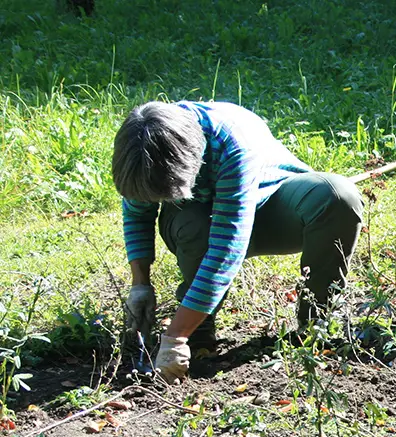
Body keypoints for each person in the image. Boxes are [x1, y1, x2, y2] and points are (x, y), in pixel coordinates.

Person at [112, 101, 364, 381]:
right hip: (200, 222)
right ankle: (199, 330)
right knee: (192, 222)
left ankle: (314, 325)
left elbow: (226, 248)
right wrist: (140, 285)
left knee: (337, 196)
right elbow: (137, 215)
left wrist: (175, 335)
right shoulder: (143, 145)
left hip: (271, 209)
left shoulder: (231, 144)